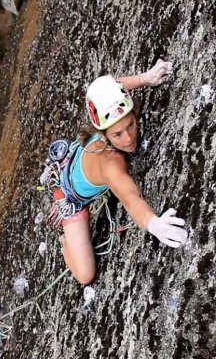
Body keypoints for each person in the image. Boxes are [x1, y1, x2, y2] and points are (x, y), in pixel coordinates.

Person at [48, 59, 188, 284]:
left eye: (130, 125)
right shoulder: (111, 163)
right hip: (68, 197)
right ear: (103, 135)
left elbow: (112, 86)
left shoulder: (106, 115)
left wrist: (145, 78)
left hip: (72, 157)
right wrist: (153, 223)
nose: (129, 138)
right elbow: (129, 196)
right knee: (85, 276)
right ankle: (66, 243)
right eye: (118, 135)